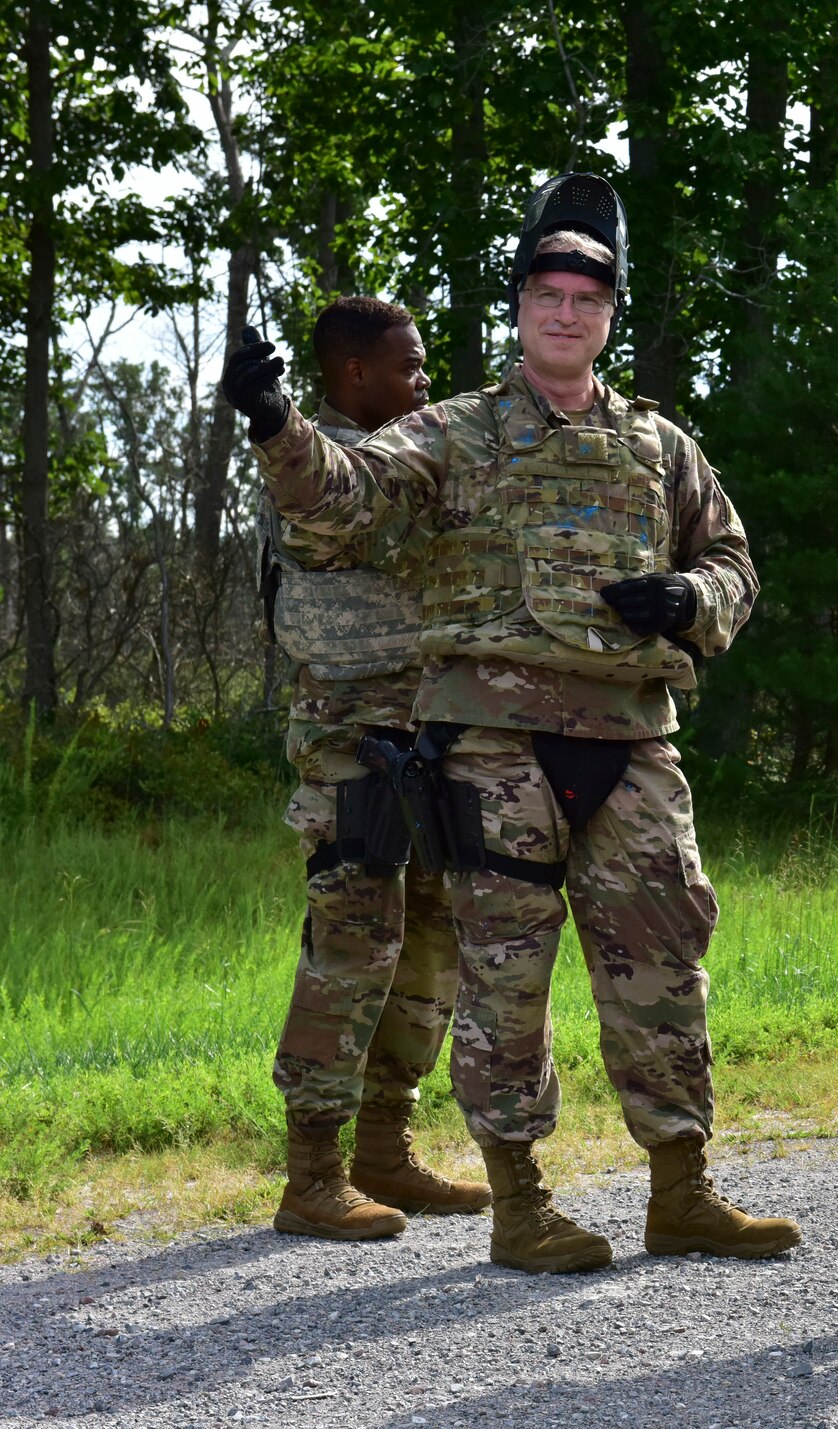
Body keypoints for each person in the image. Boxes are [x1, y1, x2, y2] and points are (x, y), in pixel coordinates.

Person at [224, 173, 800, 1274]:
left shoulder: (660, 445)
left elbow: (731, 560)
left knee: (664, 961)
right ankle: (521, 1202)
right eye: (548, 295)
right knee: (504, 975)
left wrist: (690, 600)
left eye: (587, 298)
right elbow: (341, 494)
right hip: (492, 743)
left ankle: (681, 1190)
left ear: (609, 315)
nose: (566, 314)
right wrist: (277, 424)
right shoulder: (453, 434)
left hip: (630, 739)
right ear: (521, 309)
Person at [264, 296, 491, 1240]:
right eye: (410, 364)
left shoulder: (417, 457)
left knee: (433, 944)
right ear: (355, 372)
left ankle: (384, 1148)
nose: (424, 378)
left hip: (430, 735)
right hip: (354, 746)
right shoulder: (315, 472)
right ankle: (311, 1172)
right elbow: (324, 499)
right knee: (352, 947)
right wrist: (270, 417)